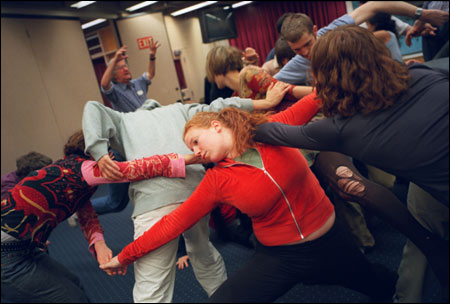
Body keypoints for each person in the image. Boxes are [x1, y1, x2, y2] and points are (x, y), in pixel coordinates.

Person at [99, 105, 398, 303]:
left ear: (215, 126)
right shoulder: (217, 180)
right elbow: (174, 223)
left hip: (332, 240)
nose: (194, 151)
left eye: (194, 140)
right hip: (280, 257)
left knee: (383, 285)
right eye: (190, 148)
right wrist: (124, 256)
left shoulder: (271, 131)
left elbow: (315, 99)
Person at [254, 25, 449, 296]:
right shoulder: (419, 73)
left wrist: (248, 110)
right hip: (432, 184)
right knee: (421, 213)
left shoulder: (342, 130)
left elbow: (268, 131)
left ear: (326, 76)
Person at [81, 87, 288, 302]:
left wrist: (100, 153)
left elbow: (92, 108)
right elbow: (218, 107)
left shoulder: (124, 119)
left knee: (152, 285)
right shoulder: (180, 110)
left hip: (154, 199)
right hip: (195, 193)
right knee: (202, 252)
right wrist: (265, 102)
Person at [1, 130, 199, 303]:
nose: (113, 159)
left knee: (73, 285)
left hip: (23, 249)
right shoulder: (84, 169)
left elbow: (85, 213)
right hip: (8, 257)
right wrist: (188, 159)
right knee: (70, 298)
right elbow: (137, 169)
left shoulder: (71, 171)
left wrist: (99, 244)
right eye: (110, 153)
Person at [275, 1, 449, 85]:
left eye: (308, 44)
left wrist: (421, 14)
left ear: (315, 31)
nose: (306, 52)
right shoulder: (298, 63)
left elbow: (374, 5)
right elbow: (268, 82)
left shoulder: (332, 31)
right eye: (297, 50)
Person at [206, 45, 312, 112]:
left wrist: (322, 92)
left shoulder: (248, 75)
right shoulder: (237, 95)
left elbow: (288, 90)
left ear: (216, 70)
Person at [100, 38, 160, 113]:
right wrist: (115, 59)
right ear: (114, 75)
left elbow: (150, 74)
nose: (125, 69)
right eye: (121, 68)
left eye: (125, 66)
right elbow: (104, 84)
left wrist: (152, 57)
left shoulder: (138, 83)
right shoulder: (115, 92)